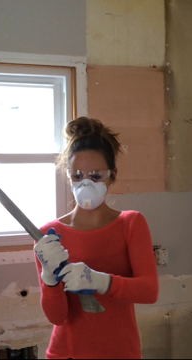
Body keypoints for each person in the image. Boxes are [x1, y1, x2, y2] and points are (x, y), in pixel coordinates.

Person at [34, 117, 159, 359]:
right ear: (69, 177)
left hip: (120, 352)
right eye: (78, 175)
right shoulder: (49, 236)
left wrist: (100, 281)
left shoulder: (131, 224)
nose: (86, 183)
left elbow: (149, 291)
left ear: (111, 176)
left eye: (95, 175)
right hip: (66, 353)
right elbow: (56, 317)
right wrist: (49, 279)